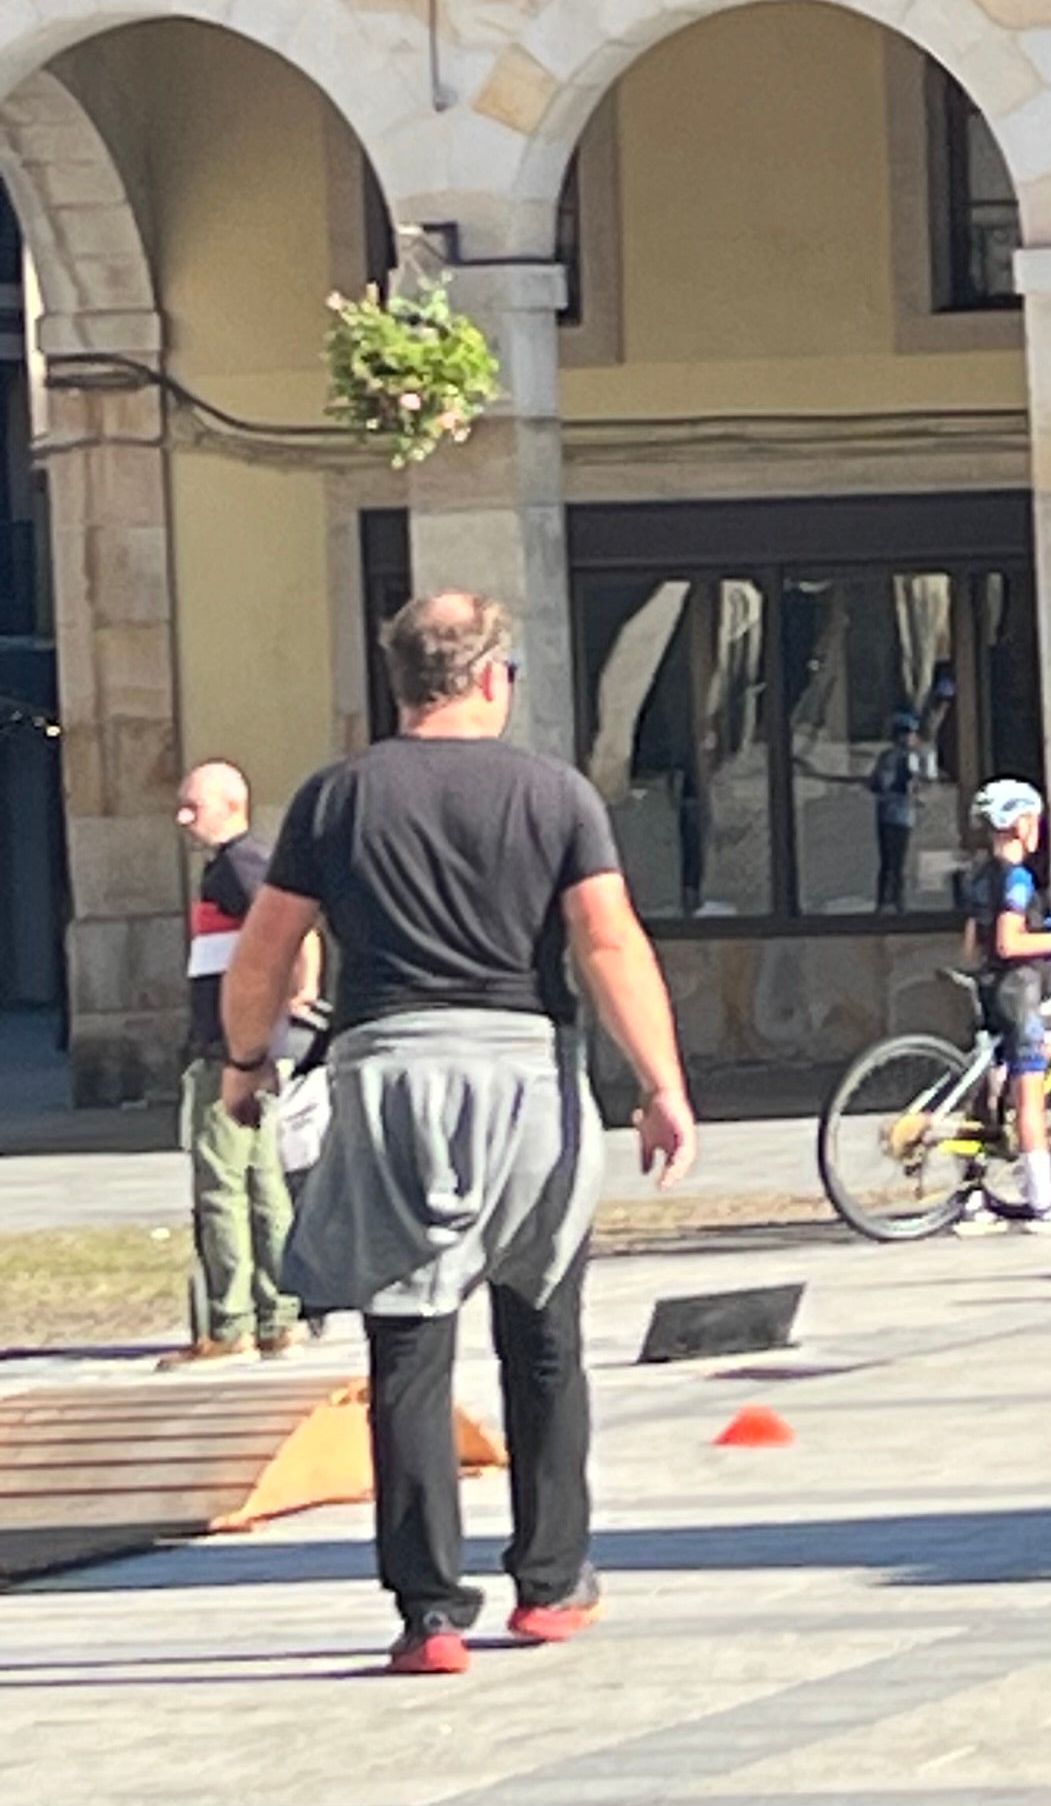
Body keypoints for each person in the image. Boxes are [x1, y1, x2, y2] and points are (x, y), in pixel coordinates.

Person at [221, 590, 698, 1677]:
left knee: (407, 1340)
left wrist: (247, 1065)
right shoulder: (554, 792)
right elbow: (608, 941)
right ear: (491, 678)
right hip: (525, 1074)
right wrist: (662, 1083)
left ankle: (429, 1612)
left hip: (389, 1072)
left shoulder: (337, 796)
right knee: (544, 1330)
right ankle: (552, 1583)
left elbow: (266, 949)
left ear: (401, 682)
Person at [164, 761, 314, 1369]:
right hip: (249, 1044)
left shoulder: (239, 864)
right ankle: (279, 1316)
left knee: (221, 1183)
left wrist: (301, 988)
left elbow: (293, 927)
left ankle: (232, 1323)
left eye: (193, 806)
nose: (182, 817)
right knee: (260, 1179)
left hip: (230, 1050)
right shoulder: (235, 866)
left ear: (231, 805)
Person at [952, 779, 1051, 1234]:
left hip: (988, 987)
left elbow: (972, 946)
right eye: (1034, 820)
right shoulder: (1017, 879)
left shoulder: (979, 876)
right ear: (1021, 824)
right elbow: (1009, 942)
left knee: (985, 1092)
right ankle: (1043, 1202)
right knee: (1030, 1097)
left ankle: (971, 1198)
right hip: (1018, 989)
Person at [866, 711, 922, 912]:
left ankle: (885, 900)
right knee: (896, 861)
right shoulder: (904, 758)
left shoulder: (887, 757)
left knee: (889, 860)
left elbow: (875, 784)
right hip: (898, 814)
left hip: (889, 813)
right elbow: (907, 785)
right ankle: (896, 901)